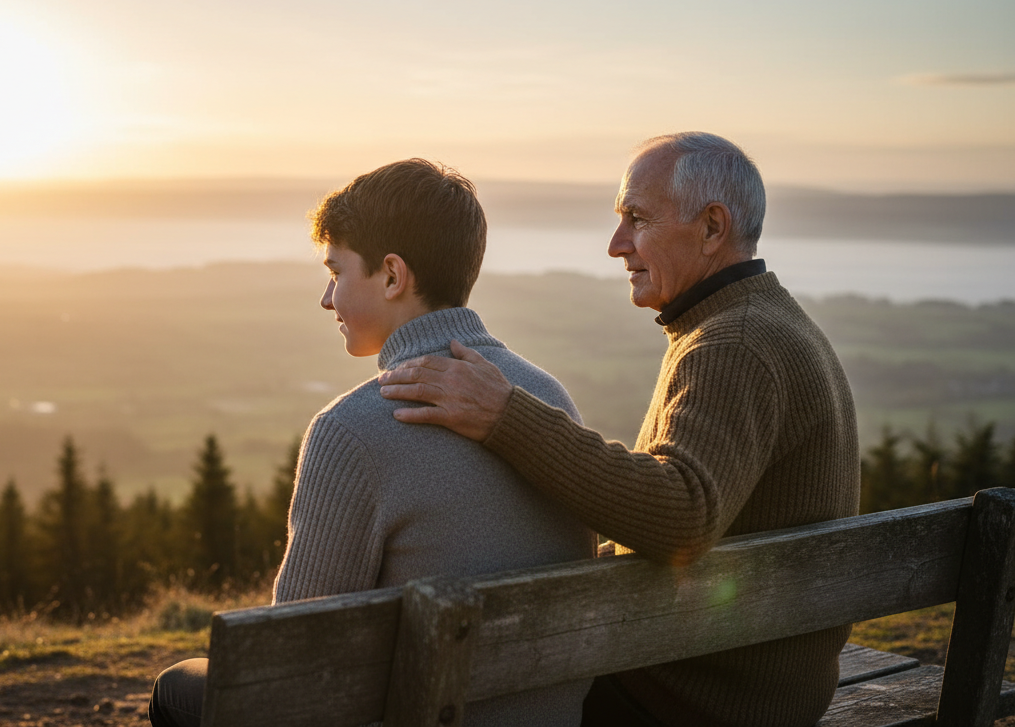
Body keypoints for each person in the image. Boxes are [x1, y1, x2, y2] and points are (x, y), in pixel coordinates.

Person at [377, 133, 860, 727]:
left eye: (637, 219)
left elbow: (681, 515)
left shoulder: (733, 343)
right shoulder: (764, 321)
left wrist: (503, 413)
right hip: (752, 683)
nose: (615, 244)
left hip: (693, 700)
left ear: (712, 228)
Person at [149, 158, 596, 726]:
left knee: (175, 688)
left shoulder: (352, 431)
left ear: (391, 276)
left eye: (336, 273)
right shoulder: (546, 399)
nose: (327, 299)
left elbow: (290, 667)